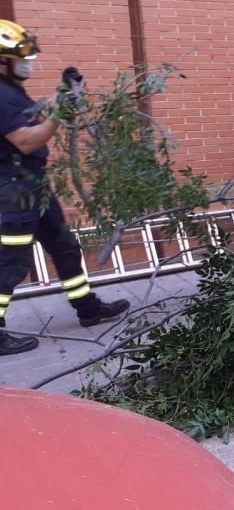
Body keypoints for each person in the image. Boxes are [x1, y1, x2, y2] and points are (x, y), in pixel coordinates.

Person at [0, 20, 129, 356]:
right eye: (20, 56)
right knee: (11, 261)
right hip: (13, 190)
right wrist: (59, 113)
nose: (28, 62)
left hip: (32, 185)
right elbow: (26, 141)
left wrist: (63, 94)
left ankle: (87, 308)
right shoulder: (0, 94)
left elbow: (30, 118)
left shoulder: (10, 90)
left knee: (64, 246)